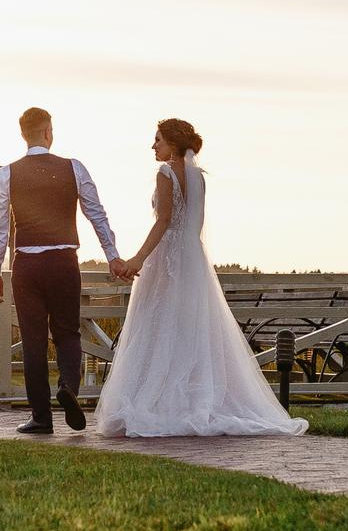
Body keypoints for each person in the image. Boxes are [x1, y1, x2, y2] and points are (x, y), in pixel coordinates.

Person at [95, 119, 307, 438]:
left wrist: (138, 258)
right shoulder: (199, 178)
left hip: (168, 258)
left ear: (173, 144)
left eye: (158, 140)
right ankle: (191, 398)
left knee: (160, 325)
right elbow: (193, 224)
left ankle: (160, 403)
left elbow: (164, 221)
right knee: (189, 328)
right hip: (192, 258)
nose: (153, 146)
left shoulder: (165, 173)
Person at [0, 107, 124, 435]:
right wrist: (112, 255)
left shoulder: (7, 174)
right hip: (64, 261)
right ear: (48, 132)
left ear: (23, 135)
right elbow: (97, 214)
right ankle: (68, 388)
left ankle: (41, 417)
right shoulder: (73, 168)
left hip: (27, 265)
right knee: (67, 332)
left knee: (33, 340)